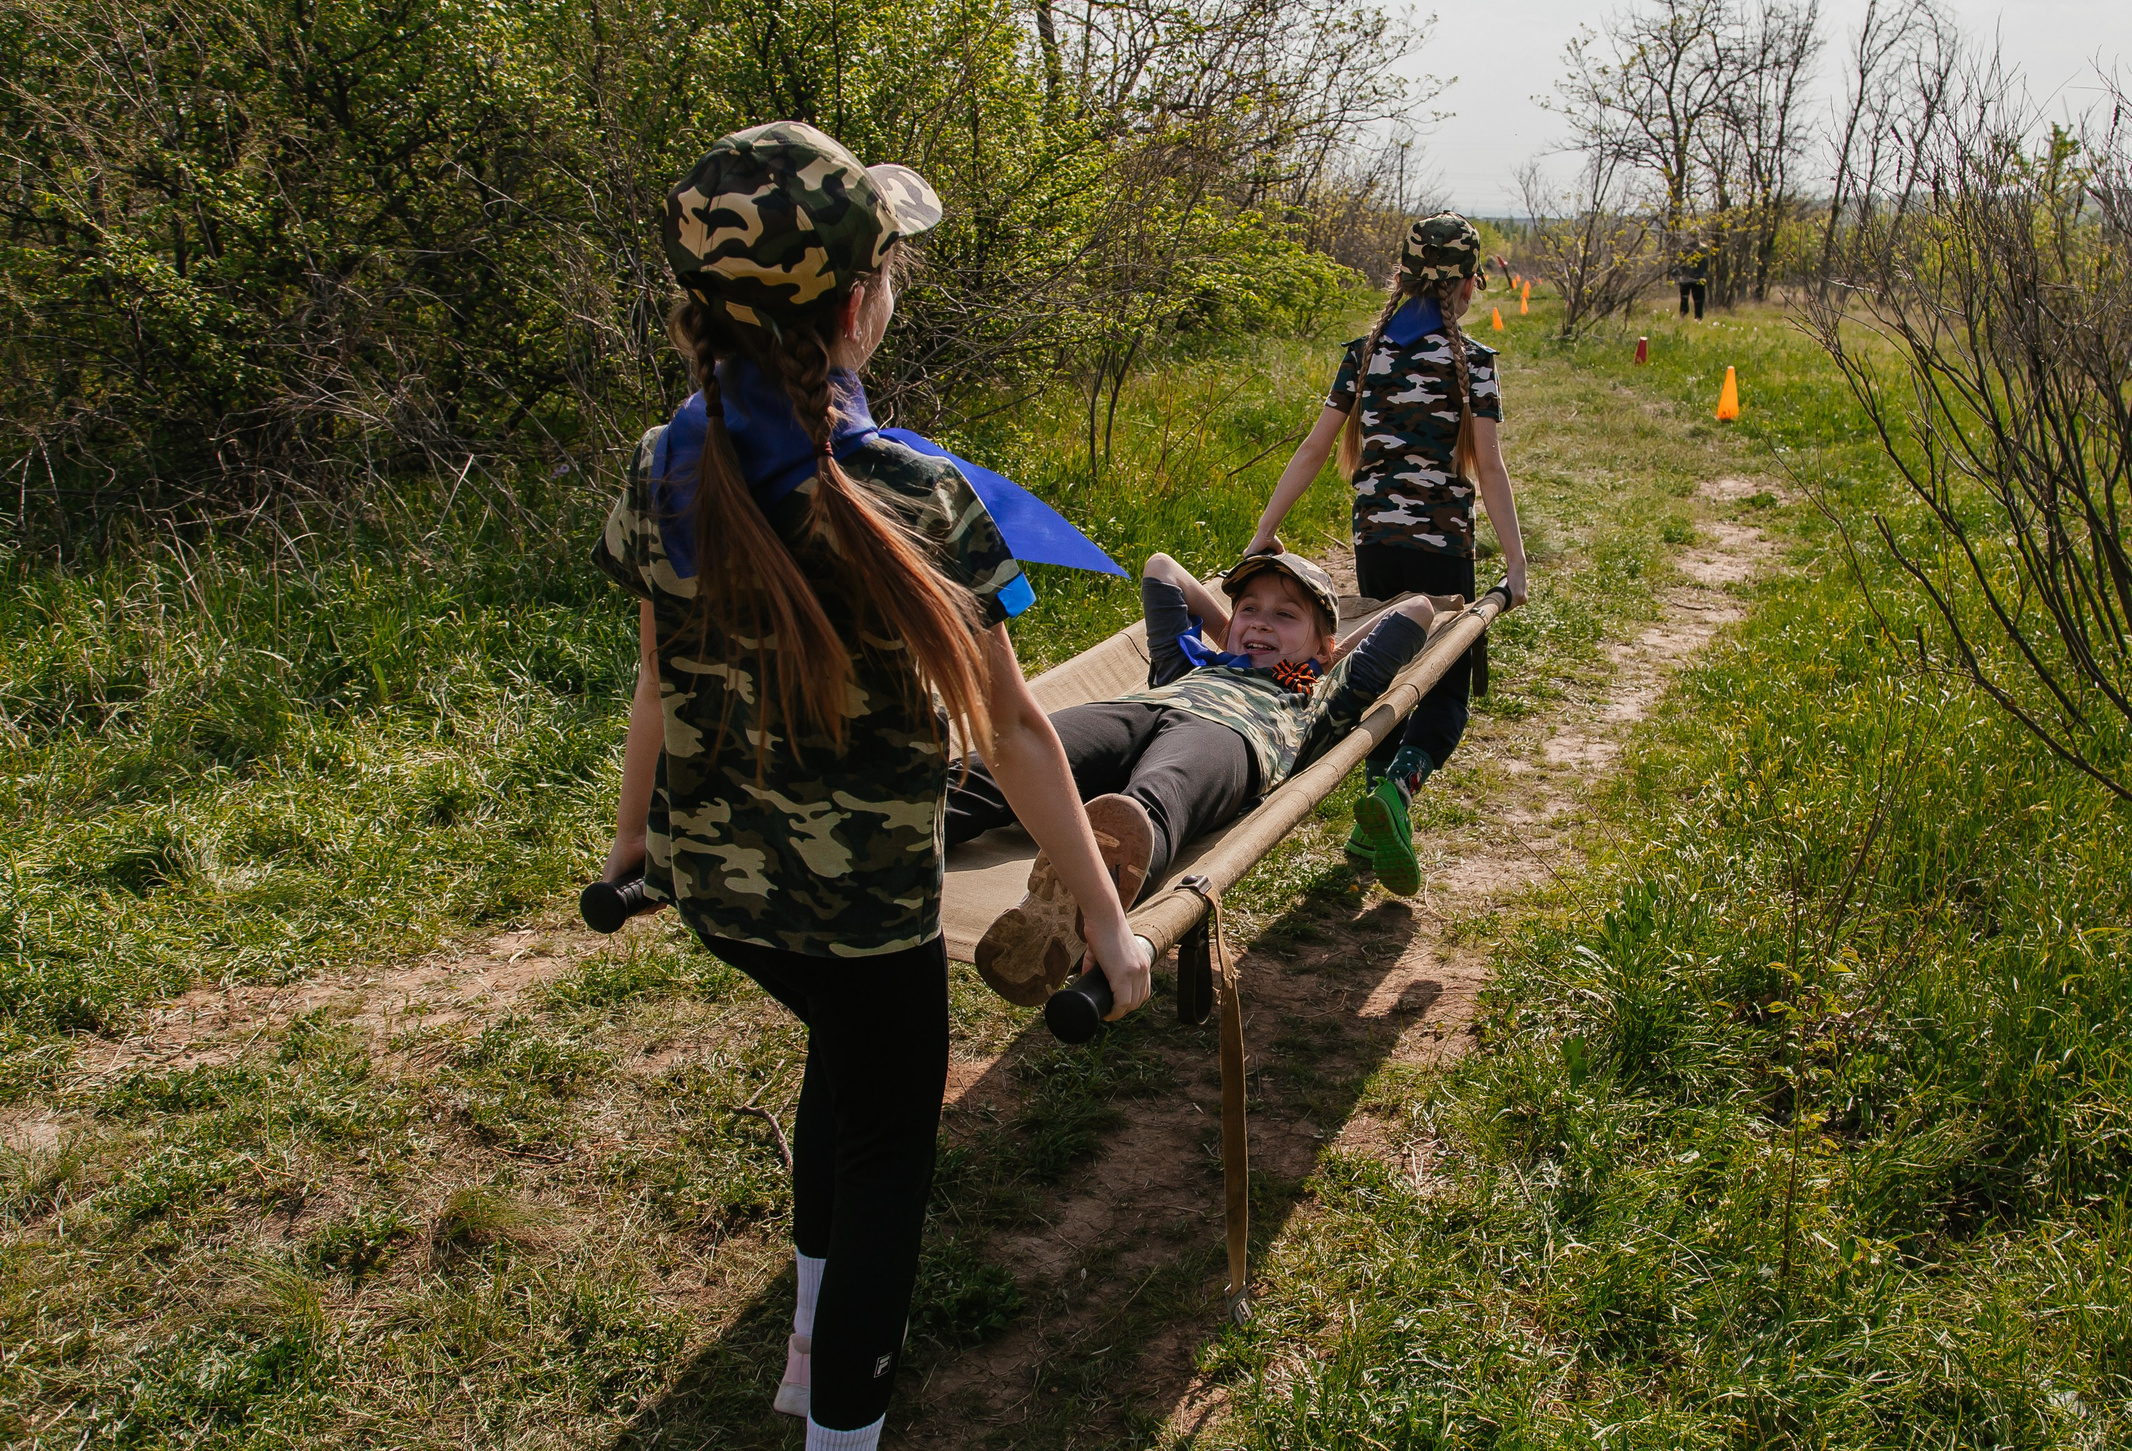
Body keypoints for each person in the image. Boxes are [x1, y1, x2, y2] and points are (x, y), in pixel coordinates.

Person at [593, 121, 1148, 1451]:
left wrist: (629, 850)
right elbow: (1014, 730)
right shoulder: (919, 488)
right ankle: (841, 1427)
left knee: (844, 1063)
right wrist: (1109, 921)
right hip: (865, 913)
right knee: (890, 1151)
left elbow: (656, 684)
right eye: (891, 268)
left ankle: (805, 1343)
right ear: (856, 307)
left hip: (723, 896)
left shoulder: (662, 460)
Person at [957, 550, 1436, 1000]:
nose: (1262, 621)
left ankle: (1071, 912)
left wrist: (1332, 655)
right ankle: (923, 821)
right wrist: (1233, 634)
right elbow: (1161, 568)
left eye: (1285, 615)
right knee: (1005, 758)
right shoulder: (1182, 661)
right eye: (1250, 609)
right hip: (1138, 710)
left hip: (1234, 735)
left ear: (1324, 648)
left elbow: (1416, 610)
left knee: (1153, 804)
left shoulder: (1323, 696)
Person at [1241, 213, 1529, 895]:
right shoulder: (1475, 362)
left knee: (1382, 681)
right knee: (1445, 694)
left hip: (1375, 545)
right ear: (1467, 284)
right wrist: (1516, 566)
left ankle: (1370, 826)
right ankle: (1398, 789)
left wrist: (1263, 532)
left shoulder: (1363, 353)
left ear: (1402, 275)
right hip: (1443, 552)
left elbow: (1315, 448)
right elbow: (1490, 469)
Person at [1672, 235, 1711, 318]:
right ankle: (1684, 317)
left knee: (1698, 301)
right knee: (1685, 299)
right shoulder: (1686, 248)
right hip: (1688, 278)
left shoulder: (1702, 249)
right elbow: (1681, 263)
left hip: (1696, 279)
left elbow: (1706, 264)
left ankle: (1696, 319)